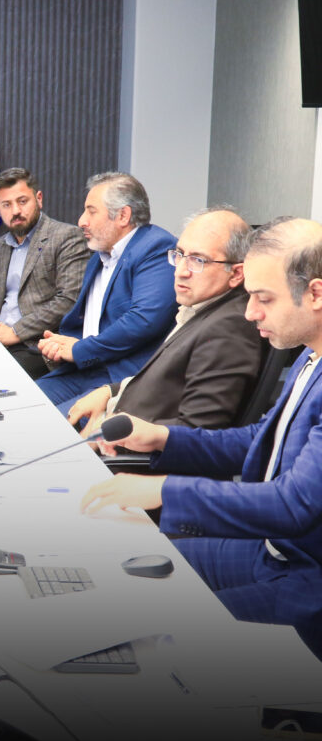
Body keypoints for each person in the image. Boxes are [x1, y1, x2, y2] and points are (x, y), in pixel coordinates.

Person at [81, 217, 322, 659]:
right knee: (125, 571)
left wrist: (163, 490)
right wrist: (161, 438)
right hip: (271, 550)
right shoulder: (311, 354)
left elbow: (292, 505)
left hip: (308, 579)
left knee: (163, 638)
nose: (250, 313)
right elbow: (261, 440)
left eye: (264, 298)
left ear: (316, 294)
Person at [66, 207, 262, 433]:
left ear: (236, 274)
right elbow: (162, 380)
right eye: (179, 254)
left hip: (124, 442)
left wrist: (106, 436)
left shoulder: (228, 329)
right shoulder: (200, 308)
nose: (180, 271)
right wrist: (110, 391)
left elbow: (195, 433)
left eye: (198, 260)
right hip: (117, 410)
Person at [34, 172, 179, 409]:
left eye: (91, 211)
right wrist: (63, 345)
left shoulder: (156, 247)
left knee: (55, 423)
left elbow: (143, 320)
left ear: (123, 215)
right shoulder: (99, 257)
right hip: (85, 369)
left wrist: (79, 349)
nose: (81, 221)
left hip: (120, 378)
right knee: (20, 406)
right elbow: (96, 324)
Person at [0, 168, 91, 379]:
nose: (15, 211)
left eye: (22, 201)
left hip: (36, 344)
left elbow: (68, 300)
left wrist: (15, 332)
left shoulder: (67, 237)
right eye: (6, 205)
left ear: (39, 199)